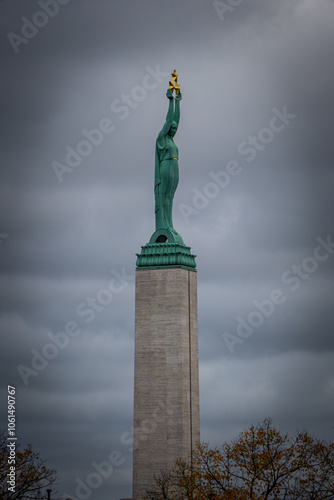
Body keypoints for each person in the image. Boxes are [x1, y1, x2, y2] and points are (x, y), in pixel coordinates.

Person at [154, 88, 182, 232]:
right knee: (163, 196)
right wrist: (171, 101)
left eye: (175, 128)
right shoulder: (162, 138)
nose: (174, 129)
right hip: (165, 167)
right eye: (172, 128)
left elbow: (175, 120)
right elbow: (170, 119)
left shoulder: (171, 140)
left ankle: (169, 225)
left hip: (174, 167)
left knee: (170, 197)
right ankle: (162, 225)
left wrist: (179, 102)